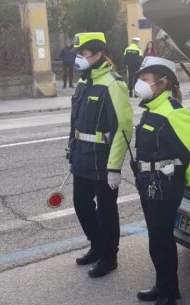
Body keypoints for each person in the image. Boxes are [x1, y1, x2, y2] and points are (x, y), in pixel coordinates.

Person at [132, 57, 190, 305]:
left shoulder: (173, 111)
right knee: (155, 239)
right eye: (141, 78)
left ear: (162, 84)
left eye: (146, 79)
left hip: (165, 187)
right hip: (148, 184)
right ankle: (162, 286)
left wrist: (185, 181)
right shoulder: (152, 108)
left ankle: (169, 297)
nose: (140, 83)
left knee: (162, 242)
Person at [67, 32, 133, 278]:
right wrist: (70, 148)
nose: (79, 59)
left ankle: (109, 256)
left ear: (98, 55)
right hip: (82, 157)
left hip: (104, 161)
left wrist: (114, 168)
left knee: (106, 210)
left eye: (82, 54)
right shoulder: (84, 82)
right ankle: (96, 245)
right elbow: (74, 122)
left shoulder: (113, 84)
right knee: (81, 204)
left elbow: (123, 128)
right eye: (78, 54)